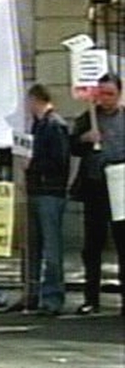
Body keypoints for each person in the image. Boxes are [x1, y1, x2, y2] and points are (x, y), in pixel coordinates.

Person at [70, 73, 125, 316]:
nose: (105, 99)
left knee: (123, 244)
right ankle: (91, 299)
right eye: (101, 94)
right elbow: (71, 146)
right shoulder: (88, 119)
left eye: (110, 94)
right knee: (92, 245)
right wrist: (85, 138)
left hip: (121, 187)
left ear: (120, 94)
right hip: (95, 187)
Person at [22, 84, 71, 316]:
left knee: (51, 247)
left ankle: (52, 298)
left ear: (36, 100)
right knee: (33, 246)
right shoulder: (38, 125)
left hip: (50, 192)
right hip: (37, 190)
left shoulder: (55, 125)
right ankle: (32, 294)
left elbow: (60, 161)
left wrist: (34, 165)